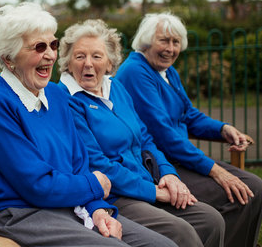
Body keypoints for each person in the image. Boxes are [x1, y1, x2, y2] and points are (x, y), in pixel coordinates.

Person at [0, 3, 177, 247]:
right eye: (39, 47)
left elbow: (78, 163)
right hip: (16, 213)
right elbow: (35, 184)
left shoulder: (55, 94)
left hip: (64, 205)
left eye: (53, 45)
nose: (51, 55)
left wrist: (98, 209)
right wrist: (95, 185)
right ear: (8, 58)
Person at [57, 19, 224, 247]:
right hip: (118, 194)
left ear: (109, 63)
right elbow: (97, 164)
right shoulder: (67, 99)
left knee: (211, 220)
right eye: (79, 56)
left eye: (96, 56)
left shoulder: (115, 87)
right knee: (181, 232)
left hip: (149, 181)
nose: (88, 64)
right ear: (68, 63)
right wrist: (153, 192)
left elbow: (145, 138)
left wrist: (168, 174)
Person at [115, 12, 262, 247]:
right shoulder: (136, 72)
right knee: (245, 192)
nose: (171, 49)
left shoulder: (167, 72)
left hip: (179, 159)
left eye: (176, 42)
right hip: (160, 165)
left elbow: (188, 114)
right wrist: (215, 170)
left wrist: (223, 128)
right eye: (164, 40)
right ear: (146, 41)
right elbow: (164, 135)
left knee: (253, 187)